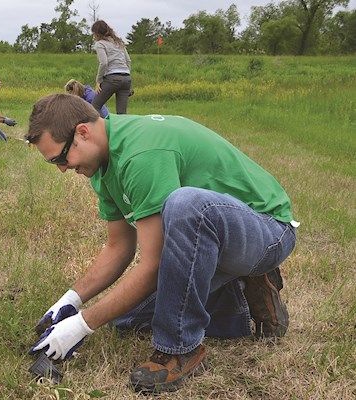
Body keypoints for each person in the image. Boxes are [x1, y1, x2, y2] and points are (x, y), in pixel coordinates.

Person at [26, 94, 298, 394]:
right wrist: (70, 301)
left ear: (83, 132)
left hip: (268, 230)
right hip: (217, 244)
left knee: (186, 205)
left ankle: (180, 348)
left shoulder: (140, 155)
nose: (62, 168)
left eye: (60, 159)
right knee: (125, 320)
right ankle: (243, 295)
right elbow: (119, 248)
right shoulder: (102, 164)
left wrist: (81, 326)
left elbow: (153, 264)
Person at [91, 20, 132, 115]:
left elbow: (104, 63)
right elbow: (128, 61)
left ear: (97, 33)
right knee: (122, 113)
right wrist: (126, 75)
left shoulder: (100, 44)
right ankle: (122, 129)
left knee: (94, 106)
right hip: (127, 78)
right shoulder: (119, 42)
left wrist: (98, 80)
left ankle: (102, 128)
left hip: (112, 78)